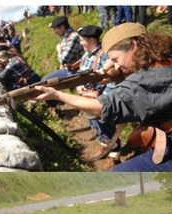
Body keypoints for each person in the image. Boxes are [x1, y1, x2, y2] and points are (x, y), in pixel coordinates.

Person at [35, 23, 172, 171]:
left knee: (117, 176)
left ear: (133, 45)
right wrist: (106, 72)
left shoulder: (143, 82)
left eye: (115, 59)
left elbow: (102, 107)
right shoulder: (163, 57)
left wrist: (56, 94)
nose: (116, 66)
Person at [76, 25, 120, 161]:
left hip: (100, 98)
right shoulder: (85, 55)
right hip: (88, 96)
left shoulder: (103, 55)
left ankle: (114, 151)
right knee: (94, 123)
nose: (80, 43)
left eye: (82, 40)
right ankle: (105, 143)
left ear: (90, 40)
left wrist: (101, 100)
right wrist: (80, 87)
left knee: (104, 124)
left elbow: (112, 81)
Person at [43, 16, 84, 80]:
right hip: (68, 68)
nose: (54, 32)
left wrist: (59, 50)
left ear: (62, 27)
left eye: (55, 29)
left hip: (75, 70)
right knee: (45, 80)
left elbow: (64, 59)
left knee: (45, 81)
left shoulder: (73, 37)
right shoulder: (65, 36)